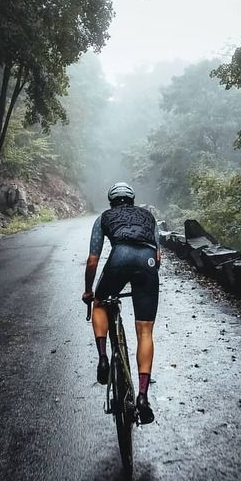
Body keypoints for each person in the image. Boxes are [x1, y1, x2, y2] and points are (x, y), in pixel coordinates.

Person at [82, 182, 160, 425]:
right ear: (132, 199)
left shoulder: (105, 217)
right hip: (147, 263)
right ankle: (143, 397)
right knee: (145, 331)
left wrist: (88, 290)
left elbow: (93, 260)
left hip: (119, 258)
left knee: (100, 302)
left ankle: (104, 357)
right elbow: (158, 257)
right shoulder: (148, 217)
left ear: (111, 200)